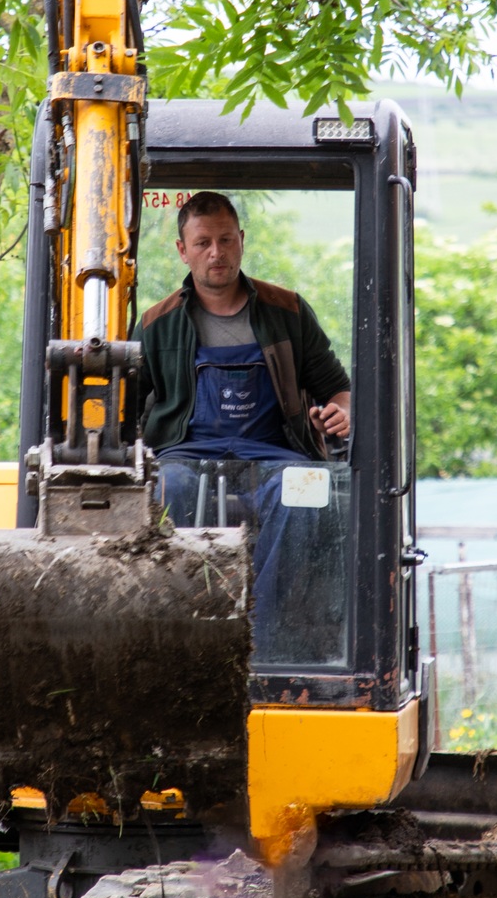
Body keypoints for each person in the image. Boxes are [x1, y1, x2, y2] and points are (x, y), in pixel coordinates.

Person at [135, 191, 352, 659]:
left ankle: (268, 640)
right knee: (162, 490)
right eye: (203, 243)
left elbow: (337, 387)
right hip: (186, 457)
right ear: (182, 250)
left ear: (242, 241)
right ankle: (177, 639)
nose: (217, 253)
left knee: (308, 489)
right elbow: (121, 412)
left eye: (227, 240)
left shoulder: (287, 311)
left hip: (275, 455)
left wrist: (341, 411)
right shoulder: (156, 325)